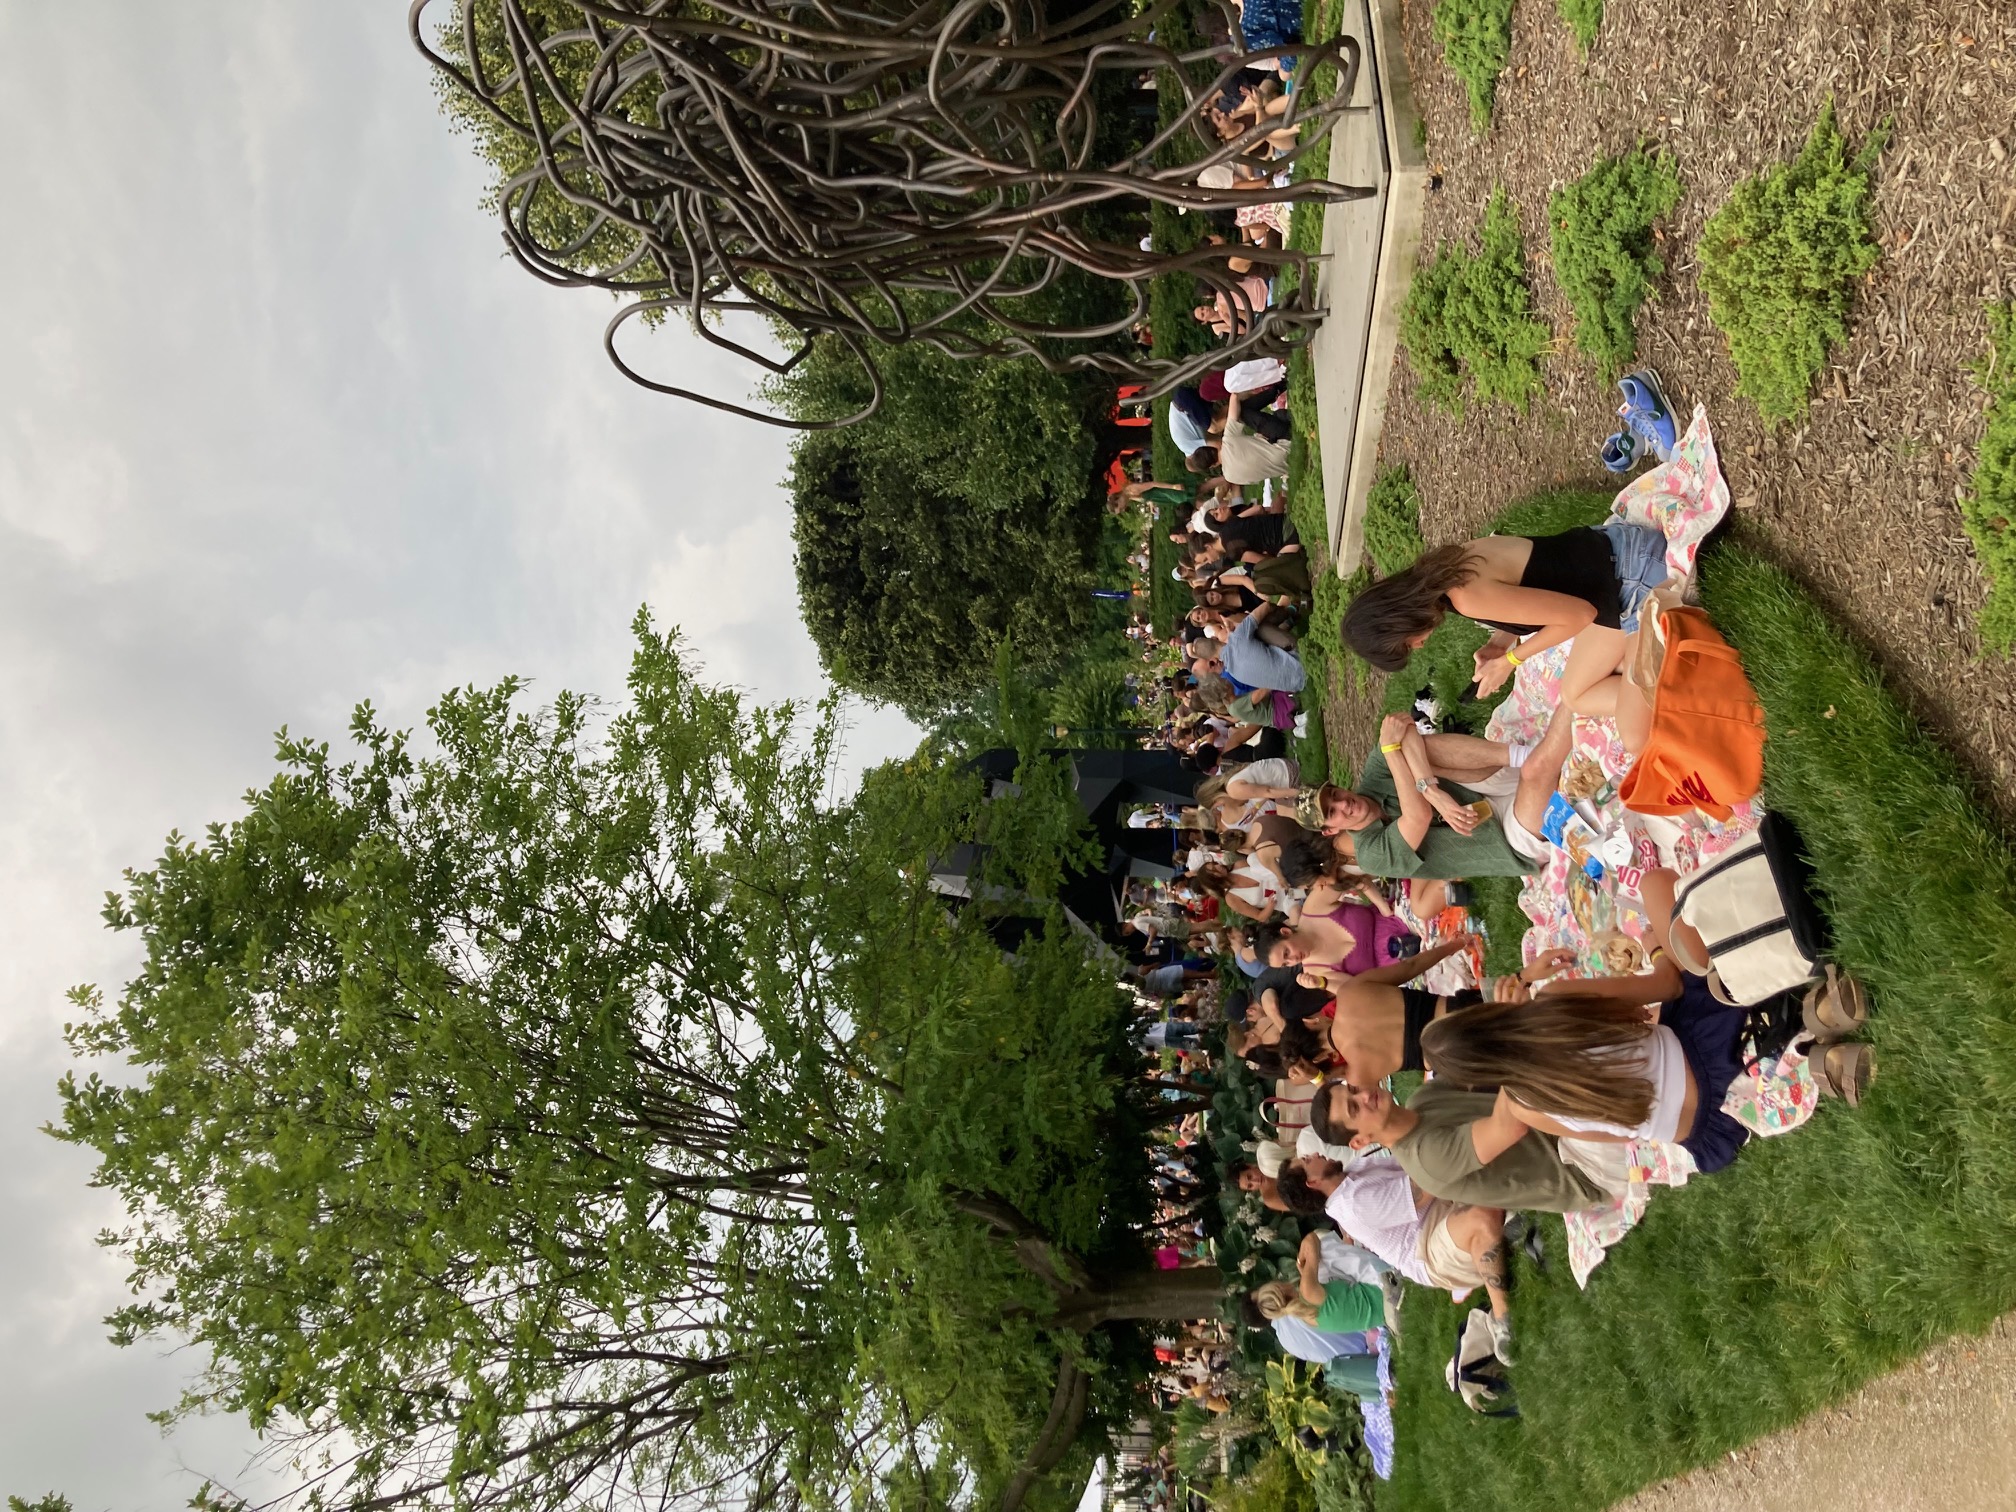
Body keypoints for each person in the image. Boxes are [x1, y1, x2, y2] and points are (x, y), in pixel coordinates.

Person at [1339, 520, 1670, 710]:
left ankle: (1675, 694)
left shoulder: (1466, 597)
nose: (1419, 646)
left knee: (1581, 695)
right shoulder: (1443, 570)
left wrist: (1509, 663)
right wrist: (1501, 642)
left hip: (1631, 578)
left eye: (1407, 644)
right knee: (1590, 682)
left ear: (1400, 622)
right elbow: (1536, 581)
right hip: (1615, 551)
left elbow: (1580, 615)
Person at [1277, 1151, 1517, 1361]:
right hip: (1430, 1250)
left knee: (1488, 1161)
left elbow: (1412, 1165)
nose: (1316, 1154)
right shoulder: (1353, 1204)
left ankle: (1505, 1231)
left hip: (1443, 1207)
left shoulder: (1353, 1171)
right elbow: (1425, 1186)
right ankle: (1502, 1318)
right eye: (1307, 1160)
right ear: (1313, 1181)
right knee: (1482, 1217)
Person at [1314, 704, 1579, 879]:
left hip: (1482, 790)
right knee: (1537, 770)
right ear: (1330, 830)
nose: (1343, 803)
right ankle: (1575, 698)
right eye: (1332, 812)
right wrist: (1392, 753)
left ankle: (1522, 754)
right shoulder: (1371, 857)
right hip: (1507, 841)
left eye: (1335, 795)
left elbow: (1401, 725)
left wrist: (1428, 787)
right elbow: (1417, 817)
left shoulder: (1371, 778)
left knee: (1417, 750)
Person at [1308, 1078, 1608, 1215]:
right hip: (1582, 1169)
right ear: (1360, 1141)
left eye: (1354, 1089)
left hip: (1560, 1122)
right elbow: (1512, 1123)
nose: (1364, 1097)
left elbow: (1481, 1073)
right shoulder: (1427, 1156)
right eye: (1354, 1108)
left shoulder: (1421, 1101)